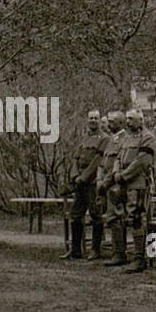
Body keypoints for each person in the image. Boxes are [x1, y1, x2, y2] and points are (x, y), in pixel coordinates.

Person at [113, 108, 156, 274]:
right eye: (127, 118)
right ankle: (140, 255)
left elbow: (142, 162)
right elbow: (118, 157)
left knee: (138, 218)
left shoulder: (148, 137)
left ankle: (142, 258)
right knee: (129, 218)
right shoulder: (126, 138)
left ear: (141, 120)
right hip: (125, 182)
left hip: (139, 183)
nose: (128, 122)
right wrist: (116, 172)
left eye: (131, 119)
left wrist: (123, 175)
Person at [62, 110, 108, 261]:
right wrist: (75, 175)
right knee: (75, 215)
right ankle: (75, 250)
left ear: (100, 121)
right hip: (80, 183)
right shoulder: (84, 138)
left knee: (96, 214)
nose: (93, 121)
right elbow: (75, 158)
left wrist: (84, 177)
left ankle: (95, 250)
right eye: (91, 118)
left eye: (96, 118)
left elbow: (97, 161)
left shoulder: (105, 139)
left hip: (93, 183)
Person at [95, 111, 126, 263]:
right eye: (108, 121)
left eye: (112, 121)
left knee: (116, 218)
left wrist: (105, 182)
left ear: (121, 123)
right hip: (105, 184)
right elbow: (103, 163)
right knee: (111, 218)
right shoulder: (111, 140)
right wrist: (99, 179)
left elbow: (117, 164)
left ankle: (119, 254)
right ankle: (116, 252)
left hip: (115, 186)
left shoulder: (124, 139)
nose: (108, 124)